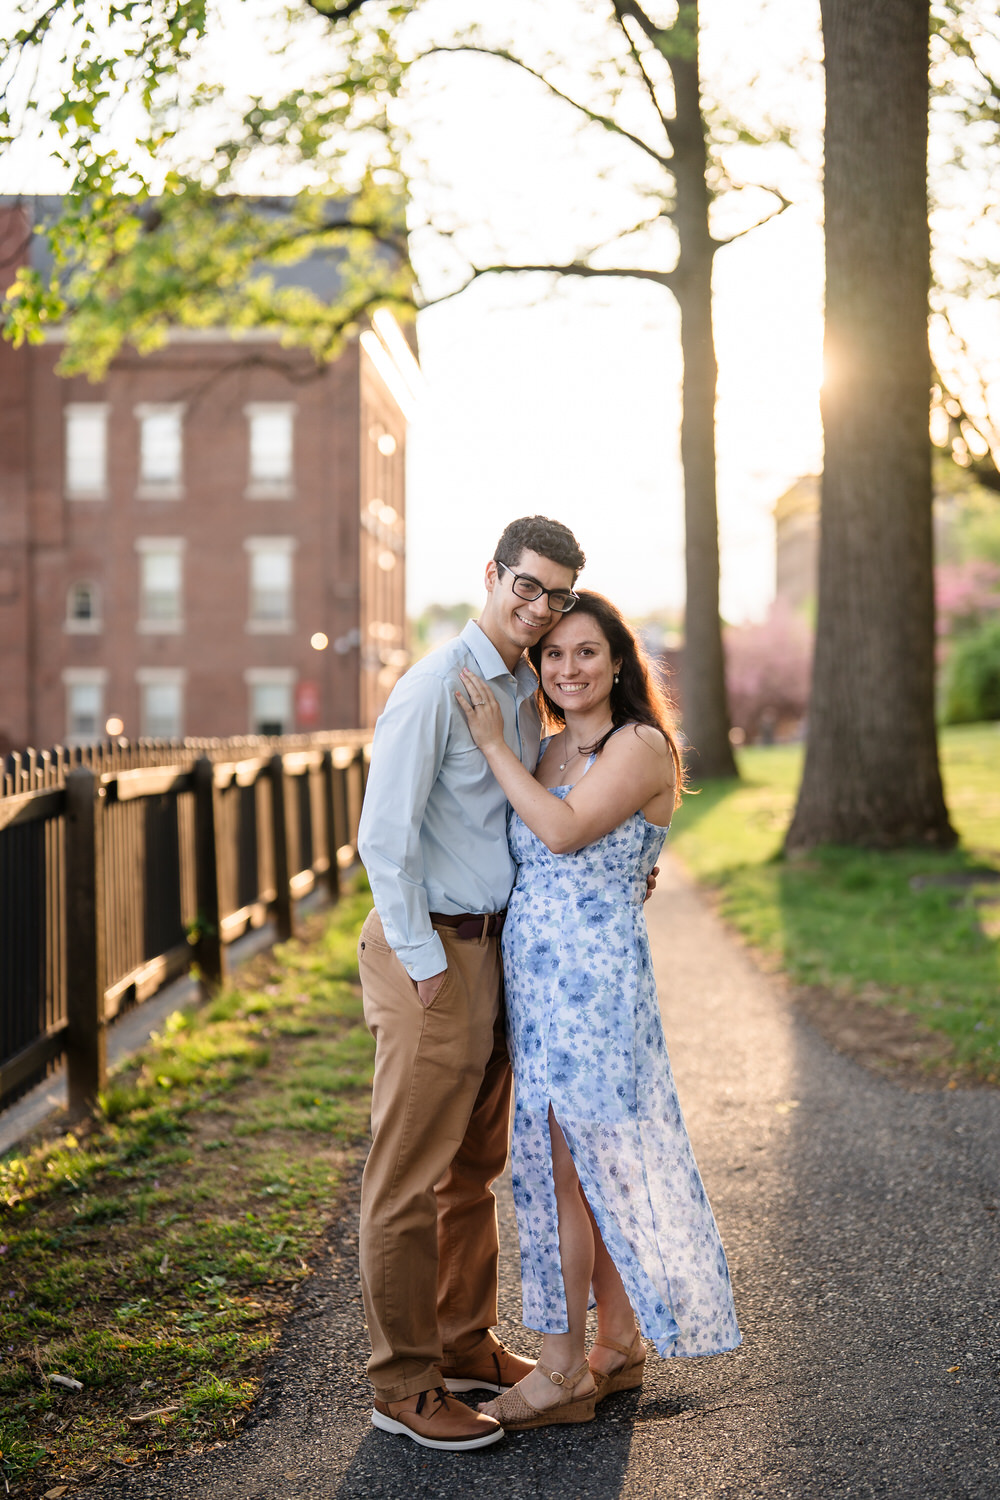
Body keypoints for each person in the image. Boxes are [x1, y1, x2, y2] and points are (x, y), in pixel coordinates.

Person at [455, 591, 741, 1431]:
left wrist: (486, 745)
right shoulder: (544, 749)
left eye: (586, 653)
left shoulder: (641, 744)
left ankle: (560, 1370)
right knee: (586, 1171)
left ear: (619, 661)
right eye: (553, 655)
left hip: (596, 993)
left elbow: (567, 833)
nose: (567, 669)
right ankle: (615, 1345)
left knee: (558, 1175)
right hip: (538, 991)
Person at [355, 516, 588, 1452]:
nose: (538, 609)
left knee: (470, 1170)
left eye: (557, 596)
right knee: (406, 1181)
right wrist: (424, 969)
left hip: (497, 953)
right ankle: (402, 1387)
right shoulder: (433, 691)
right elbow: (383, 840)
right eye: (526, 587)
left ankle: (461, 1344)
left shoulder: (525, 694)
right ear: (491, 574)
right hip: (434, 955)